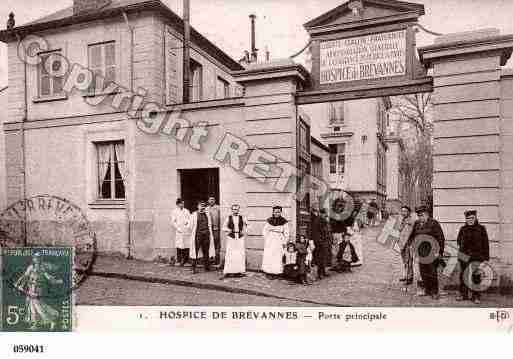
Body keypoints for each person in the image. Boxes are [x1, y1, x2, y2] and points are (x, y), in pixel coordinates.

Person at [14, 252, 63, 330]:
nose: (37, 259)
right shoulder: (30, 267)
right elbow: (25, 276)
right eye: (35, 258)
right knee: (32, 307)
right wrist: (18, 283)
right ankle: (35, 324)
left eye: (38, 258)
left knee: (38, 306)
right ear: (33, 259)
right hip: (31, 288)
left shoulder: (42, 268)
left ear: (40, 259)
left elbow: (47, 276)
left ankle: (52, 320)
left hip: (38, 289)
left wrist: (55, 281)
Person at [409, 205, 445, 300]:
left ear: (427, 215)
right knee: (423, 272)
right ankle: (427, 290)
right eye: (419, 215)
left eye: (422, 215)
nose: (420, 217)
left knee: (432, 272)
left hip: (432, 253)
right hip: (421, 253)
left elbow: (440, 238)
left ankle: (434, 292)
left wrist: (439, 252)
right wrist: (412, 247)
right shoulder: (417, 224)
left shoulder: (434, 223)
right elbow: (412, 236)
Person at [456, 210, 490, 304]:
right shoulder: (462, 229)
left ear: (475, 218)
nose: (470, 220)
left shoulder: (481, 229)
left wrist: (486, 258)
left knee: (476, 276)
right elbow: (458, 240)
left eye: (472, 218)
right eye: (468, 218)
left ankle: (476, 296)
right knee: (463, 275)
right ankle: (463, 294)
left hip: (477, 256)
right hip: (464, 255)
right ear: (465, 219)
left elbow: (485, 243)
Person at [262, 206, 290, 279]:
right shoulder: (269, 221)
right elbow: (265, 231)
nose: (277, 213)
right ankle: (269, 272)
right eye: (275, 212)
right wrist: (267, 239)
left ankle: (277, 272)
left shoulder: (284, 222)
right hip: (270, 240)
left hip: (279, 240)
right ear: (273, 212)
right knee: (269, 255)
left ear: (281, 212)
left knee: (278, 256)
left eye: (278, 212)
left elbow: (286, 233)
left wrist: (284, 242)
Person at [221, 204, 249, 278]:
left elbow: (248, 226)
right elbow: (223, 228)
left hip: (239, 238)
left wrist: (244, 231)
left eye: (236, 209)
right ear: (231, 210)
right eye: (233, 209)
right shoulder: (228, 218)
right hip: (231, 238)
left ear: (238, 210)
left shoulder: (242, 218)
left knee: (240, 254)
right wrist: (229, 230)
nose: (235, 211)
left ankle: (239, 271)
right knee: (231, 254)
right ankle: (229, 271)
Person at [189, 200, 215, 274]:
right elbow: (190, 226)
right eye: (201, 205)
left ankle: (207, 267)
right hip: (197, 235)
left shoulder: (207, 214)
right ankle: (193, 267)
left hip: (206, 235)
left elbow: (209, 224)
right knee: (195, 251)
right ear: (198, 206)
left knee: (206, 251)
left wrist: (208, 233)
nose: (202, 207)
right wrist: (196, 232)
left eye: (203, 206)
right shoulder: (194, 215)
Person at [397, 205, 415, 285]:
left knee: (408, 261)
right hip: (402, 243)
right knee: (404, 261)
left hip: (408, 244)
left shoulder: (410, 221)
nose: (403, 213)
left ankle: (409, 278)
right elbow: (400, 230)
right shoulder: (403, 220)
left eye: (405, 211)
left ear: (409, 212)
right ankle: (406, 275)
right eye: (402, 211)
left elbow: (408, 233)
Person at [312, 208, 331, 279]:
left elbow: (327, 231)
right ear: (321, 213)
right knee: (320, 258)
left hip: (324, 241)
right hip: (320, 242)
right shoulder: (318, 220)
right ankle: (319, 273)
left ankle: (323, 272)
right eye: (325, 213)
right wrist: (320, 241)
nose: (326, 215)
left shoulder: (323, 220)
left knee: (324, 257)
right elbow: (317, 232)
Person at [171, 198, 191, 266]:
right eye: (181, 203)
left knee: (186, 245)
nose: (182, 205)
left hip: (186, 230)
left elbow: (189, 219)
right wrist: (178, 228)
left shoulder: (186, 211)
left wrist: (187, 224)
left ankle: (186, 260)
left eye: (183, 203)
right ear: (178, 204)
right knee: (179, 245)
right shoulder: (174, 211)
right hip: (179, 230)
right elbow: (173, 222)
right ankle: (179, 260)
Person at [207, 196, 221, 265]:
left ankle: (217, 259)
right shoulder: (206, 209)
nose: (211, 201)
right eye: (210, 199)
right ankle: (210, 259)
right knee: (209, 244)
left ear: (215, 200)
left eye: (213, 199)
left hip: (216, 229)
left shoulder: (218, 208)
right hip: (209, 229)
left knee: (216, 243)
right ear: (208, 201)